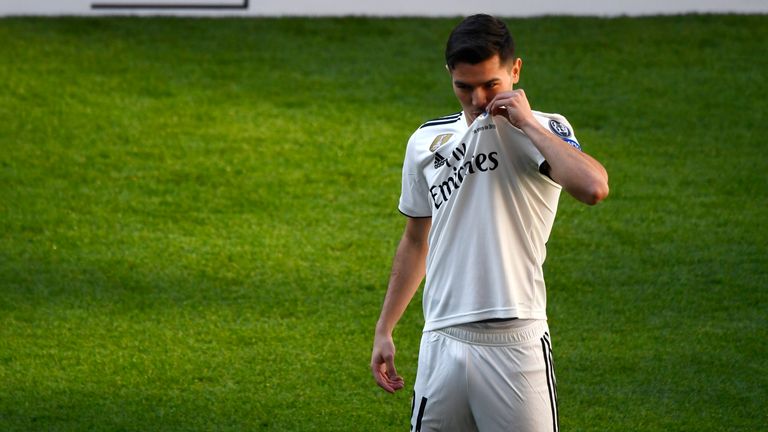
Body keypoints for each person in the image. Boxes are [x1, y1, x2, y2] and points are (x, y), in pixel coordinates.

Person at [370, 14, 609, 432]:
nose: (478, 98)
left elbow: (593, 188)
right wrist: (385, 327)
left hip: (517, 343)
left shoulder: (546, 131)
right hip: (442, 340)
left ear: (515, 71)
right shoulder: (425, 141)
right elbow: (415, 240)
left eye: (491, 84)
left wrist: (529, 123)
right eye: (464, 86)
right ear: (449, 75)